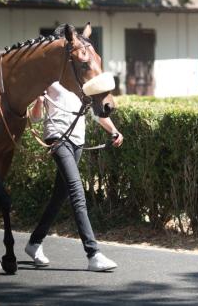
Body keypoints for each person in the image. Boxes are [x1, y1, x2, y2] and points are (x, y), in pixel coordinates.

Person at [24, 78, 124, 272]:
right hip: (57, 138)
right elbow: (35, 118)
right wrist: (39, 100)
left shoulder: (82, 84)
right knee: (77, 193)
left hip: (77, 142)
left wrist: (114, 130)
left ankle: (34, 243)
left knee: (58, 198)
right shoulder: (50, 80)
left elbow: (97, 112)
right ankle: (93, 254)